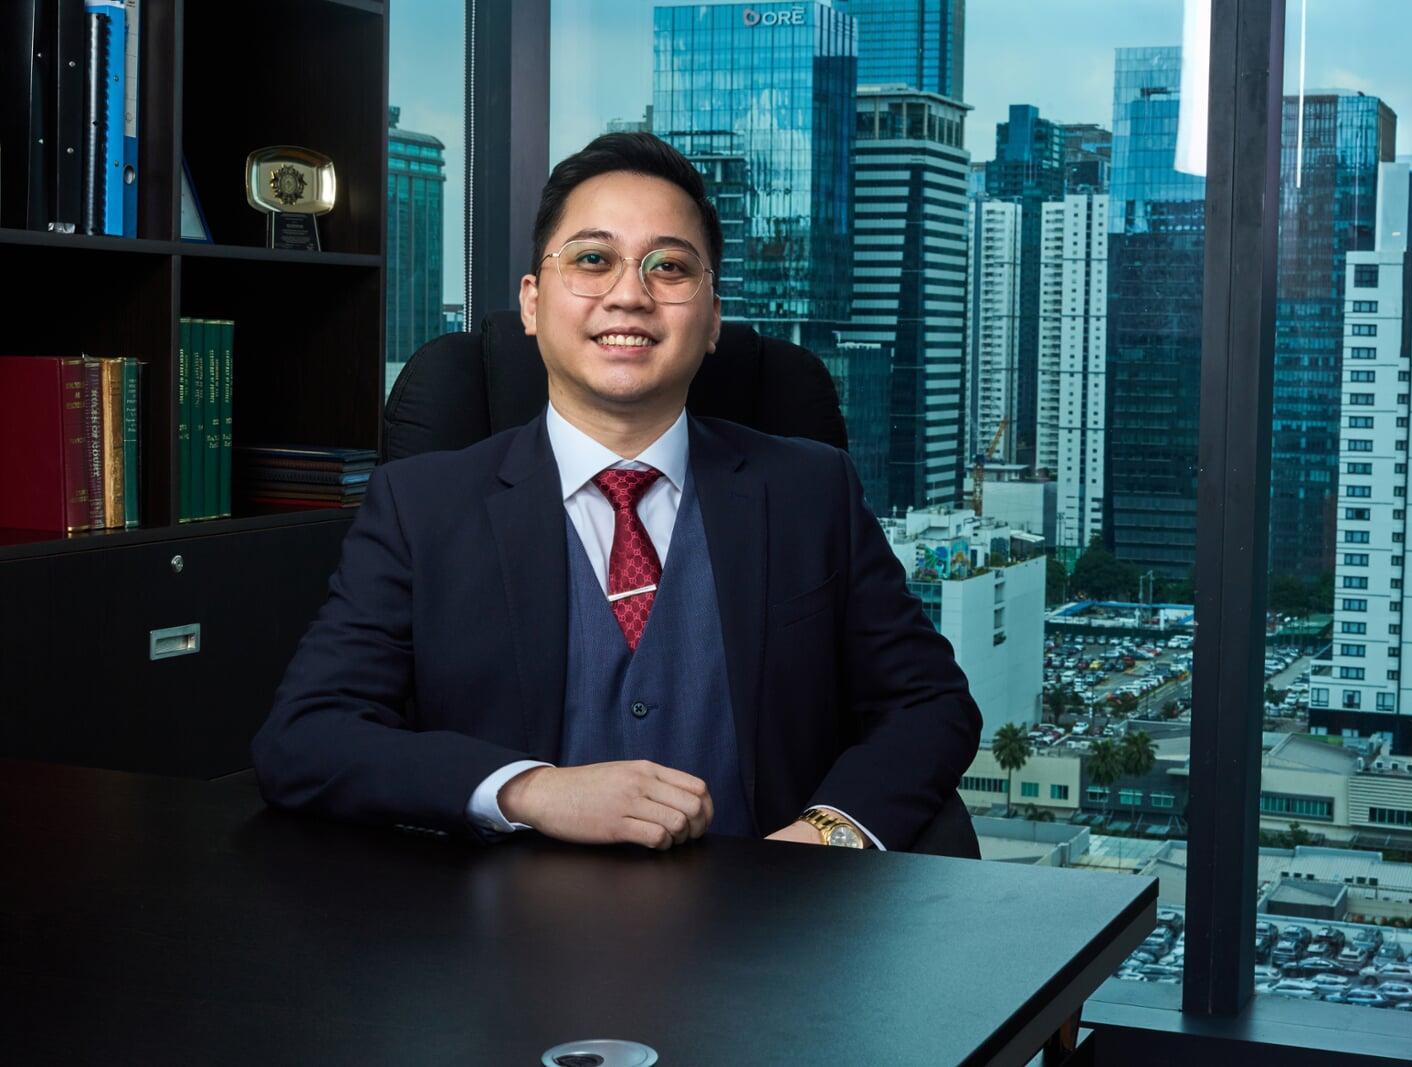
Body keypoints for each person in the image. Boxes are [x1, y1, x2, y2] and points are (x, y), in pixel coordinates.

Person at [252, 132, 980, 852]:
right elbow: (305, 735)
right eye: (593, 260)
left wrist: (827, 836)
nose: (630, 295)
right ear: (532, 303)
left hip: (773, 914)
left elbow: (930, 702)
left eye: (670, 267)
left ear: (713, 318)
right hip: (504, 920)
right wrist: (526, 789)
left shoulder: (811, 491)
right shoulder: (421, 507)